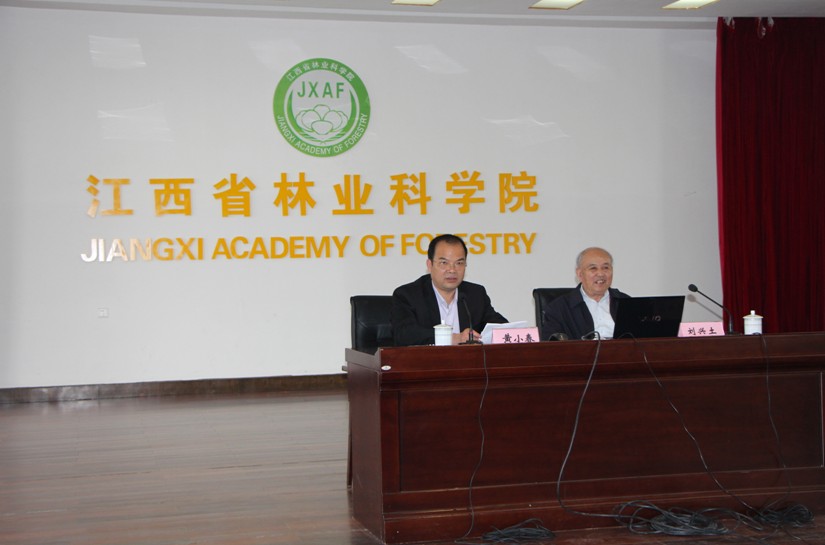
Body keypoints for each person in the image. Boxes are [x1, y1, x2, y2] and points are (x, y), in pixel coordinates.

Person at [391, 234, 507, 346]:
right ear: (430, 265)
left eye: (459, 263)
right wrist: (453, 338)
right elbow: (404, 334)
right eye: (444, 263)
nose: (452, 270)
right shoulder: (408, 295)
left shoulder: (475, 294)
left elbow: (500, 326)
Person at [542, 247, 629, 340]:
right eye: (593, 268)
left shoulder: (627, 303)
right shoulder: (558, 308)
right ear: (580, 274)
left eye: (605, 268)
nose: (600, 274)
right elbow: (552, 345)